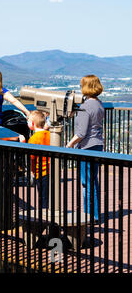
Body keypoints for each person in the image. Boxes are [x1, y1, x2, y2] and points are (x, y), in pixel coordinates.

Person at [66, 75, 104, 222]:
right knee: (93, 180)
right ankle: (94, 213)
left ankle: (89, 215)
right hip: (97, 144)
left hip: (86, 146)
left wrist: (69, 145)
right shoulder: (99, 104)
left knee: (86, 183)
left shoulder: (85, 106)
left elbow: (81, 133)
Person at [20, 110, 50, 209]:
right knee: (49, 195)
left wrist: (23, 142)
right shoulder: (50, 135)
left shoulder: (33, 138)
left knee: (42, 196)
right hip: (51, 169)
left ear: (32, 124)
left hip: (40, 171)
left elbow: (31, 155)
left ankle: (44, 217)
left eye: (28, 121)